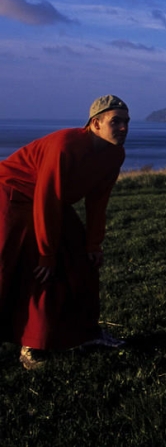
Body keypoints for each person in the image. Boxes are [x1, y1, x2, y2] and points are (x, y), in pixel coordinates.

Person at [0, 95, 130, 370]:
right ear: (95, 124)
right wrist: (46, 254)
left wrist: (94, 243)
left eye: (126, 122)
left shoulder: (115, 154)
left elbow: (98, 200)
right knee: (14, 263)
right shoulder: (65, 146)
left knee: (81, 259)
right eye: (115, 121)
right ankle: (30, 345)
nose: (123, 128)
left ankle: (85, 333)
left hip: (50, 200)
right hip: (12, 192)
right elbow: (46, 199)